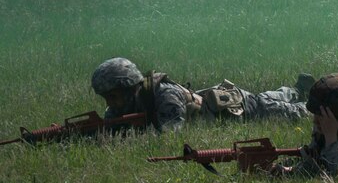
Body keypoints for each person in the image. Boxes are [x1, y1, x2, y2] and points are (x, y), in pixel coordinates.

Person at [90, 57, 314, 133]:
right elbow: (110, 128)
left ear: (129, 87)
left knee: (296, 112)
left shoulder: (165, 96)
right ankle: (295, 90)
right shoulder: (123, 106)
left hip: (239, 108)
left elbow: (169, 137)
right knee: (267, 97)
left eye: (113, 95)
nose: (110, 103)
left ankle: (305, 96)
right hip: (219, 100)